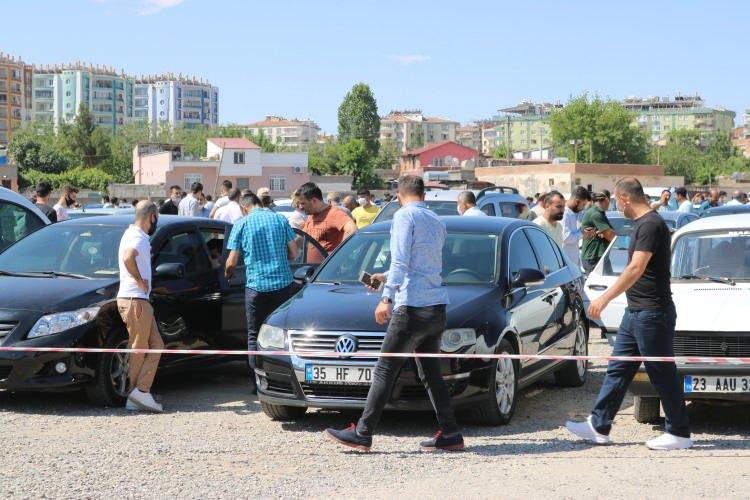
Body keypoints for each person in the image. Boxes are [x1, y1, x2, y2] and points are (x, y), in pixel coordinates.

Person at [324, 175, 463, 453]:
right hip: (436, 305)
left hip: (411, 306)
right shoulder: (437, 220)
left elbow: (401, 260)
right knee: (431, 373)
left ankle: (362, 433)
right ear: (423, 194)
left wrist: (386, 297)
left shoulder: (403, 216)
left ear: (399, 194)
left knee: (385, 369)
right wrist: (385, 277)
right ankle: (450, 433)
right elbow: (420, 263)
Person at [566, 177, 691, 450]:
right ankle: (599, 425)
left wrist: (605, 298)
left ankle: (679, 432)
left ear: (624, 198)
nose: (615, 206)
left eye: (615, 200)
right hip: (636, 312)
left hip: (652, 313)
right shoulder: (644, 224)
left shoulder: (650, 225)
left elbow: (636, 268)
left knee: (661, 371)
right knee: (618, 369)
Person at [225, 192, 299, 394]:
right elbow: (295, 252)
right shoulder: (280, 219)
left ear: (243, 207)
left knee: (253, 334)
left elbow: (231, 262)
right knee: (283, 334)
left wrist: (228, 275)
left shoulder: (241, 224)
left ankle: (256, 383)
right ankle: (284, 383)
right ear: (259, 203)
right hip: (283, 285)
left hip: (256, 287)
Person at [116, 201, 164, 413]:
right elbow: (128, 258)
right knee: (140, 349)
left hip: (139, 300)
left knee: (155, 346)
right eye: (157, 217)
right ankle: (137, 394)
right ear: (151, 216)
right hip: (136, 299)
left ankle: (141, 391)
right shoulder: (138, 237)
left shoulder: (132, 234)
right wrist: (139, 280)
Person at [299, 182, 357, 255]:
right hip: (313, 266)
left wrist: (337, 254)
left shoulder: (335, 213)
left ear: (314, 200)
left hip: (330, 266)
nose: (301, 207)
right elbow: (302, 238)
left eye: (303, 203)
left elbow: (352, 230)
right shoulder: (311, 216)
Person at [579, 190, 615, 274]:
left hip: (596, 256)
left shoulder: (597, 213)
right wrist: (608, 233)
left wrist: (606, 233)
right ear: (606, 200)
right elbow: (612, 237)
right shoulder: (596, 214)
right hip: (594, 257)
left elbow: (609, 233)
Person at [562, 186, 593, 268]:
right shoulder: (564, 214)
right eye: (583, 204)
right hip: (566, 263)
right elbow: (566, 238)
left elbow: (576, 233)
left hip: (573, 263)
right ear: (576, 201)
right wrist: (583, 234)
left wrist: (584, 232)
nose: (583, 208)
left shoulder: (574, 213)